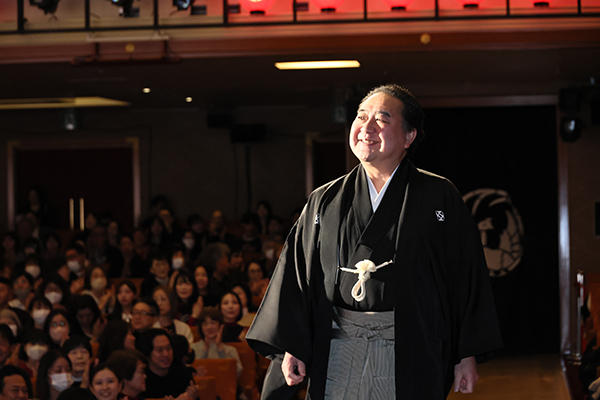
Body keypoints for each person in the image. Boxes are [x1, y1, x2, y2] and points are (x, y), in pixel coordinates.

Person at [246, 84, 503, 400]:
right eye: (361, 116)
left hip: (410, 345)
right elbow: (297, 277)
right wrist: (292, 346)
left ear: (409, 136)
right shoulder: (325, 199)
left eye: (381, 119)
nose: (366, 128)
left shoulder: (439, 197)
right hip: (338, 345)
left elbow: (465, 277)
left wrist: (465, 354)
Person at [135, 329, 197, 400]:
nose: (166, 354)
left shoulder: (183, 374)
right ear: (148, 352)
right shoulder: (142, 379)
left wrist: (193, 397)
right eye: (160, 350)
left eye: (168, 348)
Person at [191, 307, 243, 377]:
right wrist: (205, 350)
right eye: (205, 324)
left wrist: (220, 349)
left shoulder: (231, 350)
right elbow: (193, 372)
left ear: (221, 326)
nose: (209, 327)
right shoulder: (193, 348)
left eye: (213, 323)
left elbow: (237, 372)